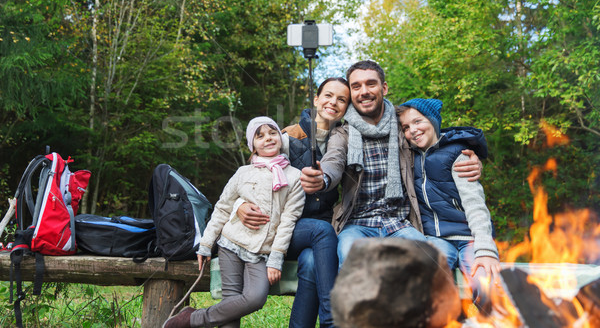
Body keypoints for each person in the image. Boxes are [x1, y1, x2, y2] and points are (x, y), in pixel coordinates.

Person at [300, 60, 484, 270]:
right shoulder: (343, 133)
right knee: (351, 258)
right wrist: (322, 178)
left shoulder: (402, 125)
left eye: (371, 84)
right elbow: (333, 160)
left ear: (384, 88)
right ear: (351, 93)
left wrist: (470, 154)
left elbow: (433, 139)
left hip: (400, 223)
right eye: (356, 86)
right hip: (357, 224)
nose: (364, 91)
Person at [163, 116, 305, 328]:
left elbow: (288, 220)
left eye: (272, 133)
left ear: (280, 138)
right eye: (260, 136)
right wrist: (206, 244)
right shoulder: (242, 173)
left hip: (261, 251)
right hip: (231, 243)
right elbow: (222, 208)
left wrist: (276, 258)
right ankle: (190, 319)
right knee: (230, 305)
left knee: (256, 298)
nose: (268, 138)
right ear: (253, 145)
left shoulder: (294, 176)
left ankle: (191, 319)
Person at [237, 78, 350, 328]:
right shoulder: (287, 137)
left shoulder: (344, 142)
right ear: (316, 99)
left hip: (316, 236)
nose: (333, 102)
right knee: (322, 231)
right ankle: (333, 320)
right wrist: (240, 207)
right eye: (328, 96)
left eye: (342, 99)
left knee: (310, 262)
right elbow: (247, 179)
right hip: (282, 229)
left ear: (346, 108)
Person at [397, 98, 500, 304]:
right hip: (435, 238)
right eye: (406, 127)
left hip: (468, 237)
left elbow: (475, 204)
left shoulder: (457, 154)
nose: (413, 130)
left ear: (433, 121)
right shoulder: (408, 158)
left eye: (418, 122)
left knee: (485, 285)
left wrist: (485, 248)